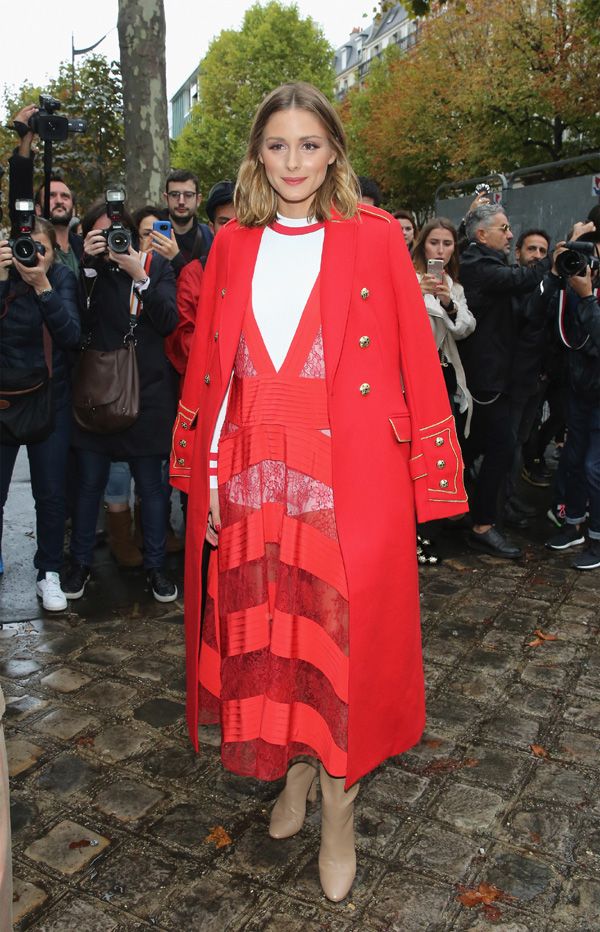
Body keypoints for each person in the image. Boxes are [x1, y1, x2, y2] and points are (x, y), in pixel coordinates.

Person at [170, 82, 467, 902]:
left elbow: (416, 357)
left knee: (340, 650)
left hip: (349, 478)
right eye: (277, 146)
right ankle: (294, 773)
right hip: (258, 469)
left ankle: (339, 808)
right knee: (272, 643)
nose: (294, 161)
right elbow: (215, 375)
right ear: (257, 155)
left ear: (333, 150)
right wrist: (213, 483)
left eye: (309, 144)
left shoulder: (371, 238)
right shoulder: (231, 243)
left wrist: (429, 483)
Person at [62, 197, 179, 603]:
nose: (109, 241)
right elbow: (77, 326)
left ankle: (156, 568)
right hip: (97, 393)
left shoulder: (154, 266)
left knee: (151, 488)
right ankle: (78, 564)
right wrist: (89, 269)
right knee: (89, 484)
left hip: (147, 395)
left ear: (128, 234)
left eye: (115, 234)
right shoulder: (86, 273)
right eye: (98, 235)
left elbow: (168, 320)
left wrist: (139, 276)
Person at [458, 204, 551, 558]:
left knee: (473, 448)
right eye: (504, 228)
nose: (511, 235)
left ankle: (450, 506)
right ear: (482, 235)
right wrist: (554, 260)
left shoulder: (489, 262)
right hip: (485, 381)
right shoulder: (476, 264)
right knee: (499, 447)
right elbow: (521, 280)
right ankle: (481, 524)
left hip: (496, 379)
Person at [0, 218, 80, 608]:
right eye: (24, 247)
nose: (32, 256)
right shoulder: (4, 279)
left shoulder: (61, 279)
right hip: (4, 400)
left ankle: (48, 572)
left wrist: (43, 287)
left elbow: (70, 336)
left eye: (41, 249)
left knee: (50, 494)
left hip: (52, 399)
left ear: (52, 252)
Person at [530, 224, 600, 569]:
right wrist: (559, 275)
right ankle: (572, 524)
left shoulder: (587, 293)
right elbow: (545, 319)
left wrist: (587, 297)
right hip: (580, 390)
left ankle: (597, 541)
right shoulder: (575, 283)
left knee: (593, 467)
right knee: (573, 461)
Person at [9, 104, 83, 275]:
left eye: (65, 196)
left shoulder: (84, 247)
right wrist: (26, 140)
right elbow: (19, 193)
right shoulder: (28, 243)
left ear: (73, 206)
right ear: (37, 208)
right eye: (51, 196)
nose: (59, 200)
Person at [149, 169, 214, 276]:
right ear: (166, 198)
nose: (181, 201)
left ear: (198, 199)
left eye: (188, 195)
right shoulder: (151, 233)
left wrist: (175, 258)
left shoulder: (208, 236)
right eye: (174, 195)